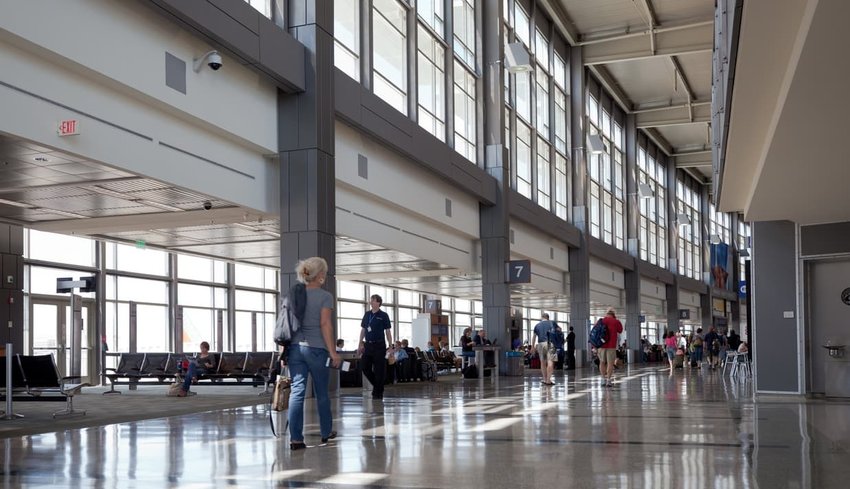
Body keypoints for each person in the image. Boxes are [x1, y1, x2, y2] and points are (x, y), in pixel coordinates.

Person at [284, 257, 340, 451]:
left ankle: (296, 439)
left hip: (295, 349)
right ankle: (326, 432)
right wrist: (333, 352)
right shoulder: (325, 296)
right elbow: (325, 324)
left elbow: (287, 324)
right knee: (321, 391)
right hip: (317, 350)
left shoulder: (293, 295)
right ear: (321, 274)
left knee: (297, 392)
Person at [357, 294, 393, 400]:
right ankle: (378, 387)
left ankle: (378, 391)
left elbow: (388, 331)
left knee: (379, 370)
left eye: (373, 300)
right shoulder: (367, 314)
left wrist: (390, 346)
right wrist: (360, 343)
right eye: (371, 300)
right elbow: (363, 330)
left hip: (379, 345)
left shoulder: (383, 315)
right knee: (365, 367)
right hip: (368, 345)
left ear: (378, 303)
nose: (371, 302)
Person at [597, 308, 624, 387]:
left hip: (601, 345)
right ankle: (608, 380)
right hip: (611, 346)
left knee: (602, 362)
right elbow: (620, 330)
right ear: (613, 314)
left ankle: (602, 379)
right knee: (610, 363)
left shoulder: (601, 321)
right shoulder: (616, 321)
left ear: (606, 314)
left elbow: (595, 333)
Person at [531, 313, 558, 385]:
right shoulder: (552, 323)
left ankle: (545, 379)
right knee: (550, 362)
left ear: (542, 317)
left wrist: (532, 347)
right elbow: (559, 330)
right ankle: (548, 380)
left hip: (540, 344)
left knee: (542, 362)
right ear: (548, 318)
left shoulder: (537, 325)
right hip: (550, 343)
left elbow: (534, 337)